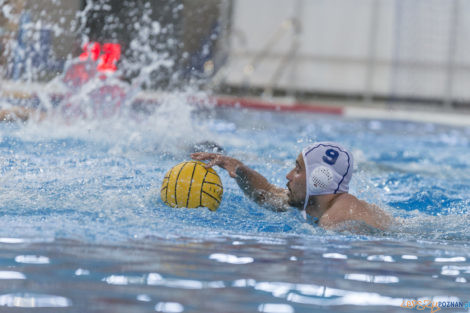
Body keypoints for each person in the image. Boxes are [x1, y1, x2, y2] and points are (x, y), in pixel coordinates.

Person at [191, 141, 392, 231]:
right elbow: (266, 193)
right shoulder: (313, 203)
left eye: (297, 169)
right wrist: (239, 168)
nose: (288, 176)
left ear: (318, 179)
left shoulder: (338, 221)